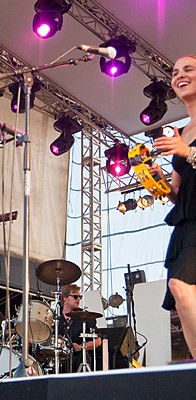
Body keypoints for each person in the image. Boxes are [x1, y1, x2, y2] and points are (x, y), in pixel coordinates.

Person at [151, 54, 196, 359]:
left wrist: (187, 152)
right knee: (182, 301)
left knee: (181, 286)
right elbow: (178, 192)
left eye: (188, 69)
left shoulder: (183, 141)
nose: (179, 75)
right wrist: (157, 181)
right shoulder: (183, 131)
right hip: (185, 223)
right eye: (175, 72)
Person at [58, 284, 101, 372]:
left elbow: (98, 341)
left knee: (83, 357)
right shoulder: (54, 317)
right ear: (65, 298)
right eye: (75, 296)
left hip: (77, 357)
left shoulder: (85, 317)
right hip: (57, 357)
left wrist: (81, 347)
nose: (78, 299)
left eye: (79, 297)